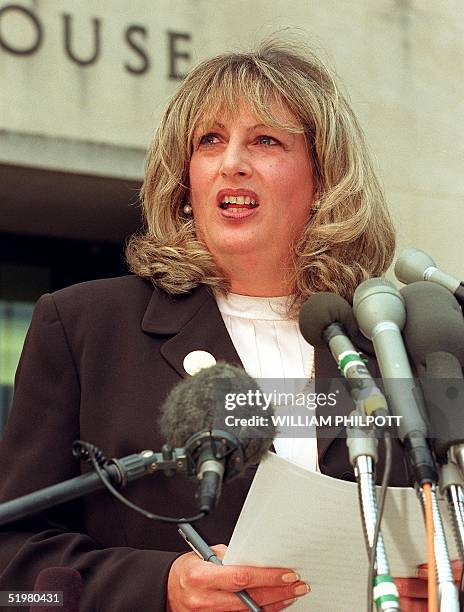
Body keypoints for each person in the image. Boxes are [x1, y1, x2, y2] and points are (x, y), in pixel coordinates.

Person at [0, 39, 437, 610]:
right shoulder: (84, 327)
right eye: (210, 140)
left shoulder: (394, 340)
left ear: (324, 181)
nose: (232, 161)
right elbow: (13, 573)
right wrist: (162, 589)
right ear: (186, 182)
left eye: (265, 140)